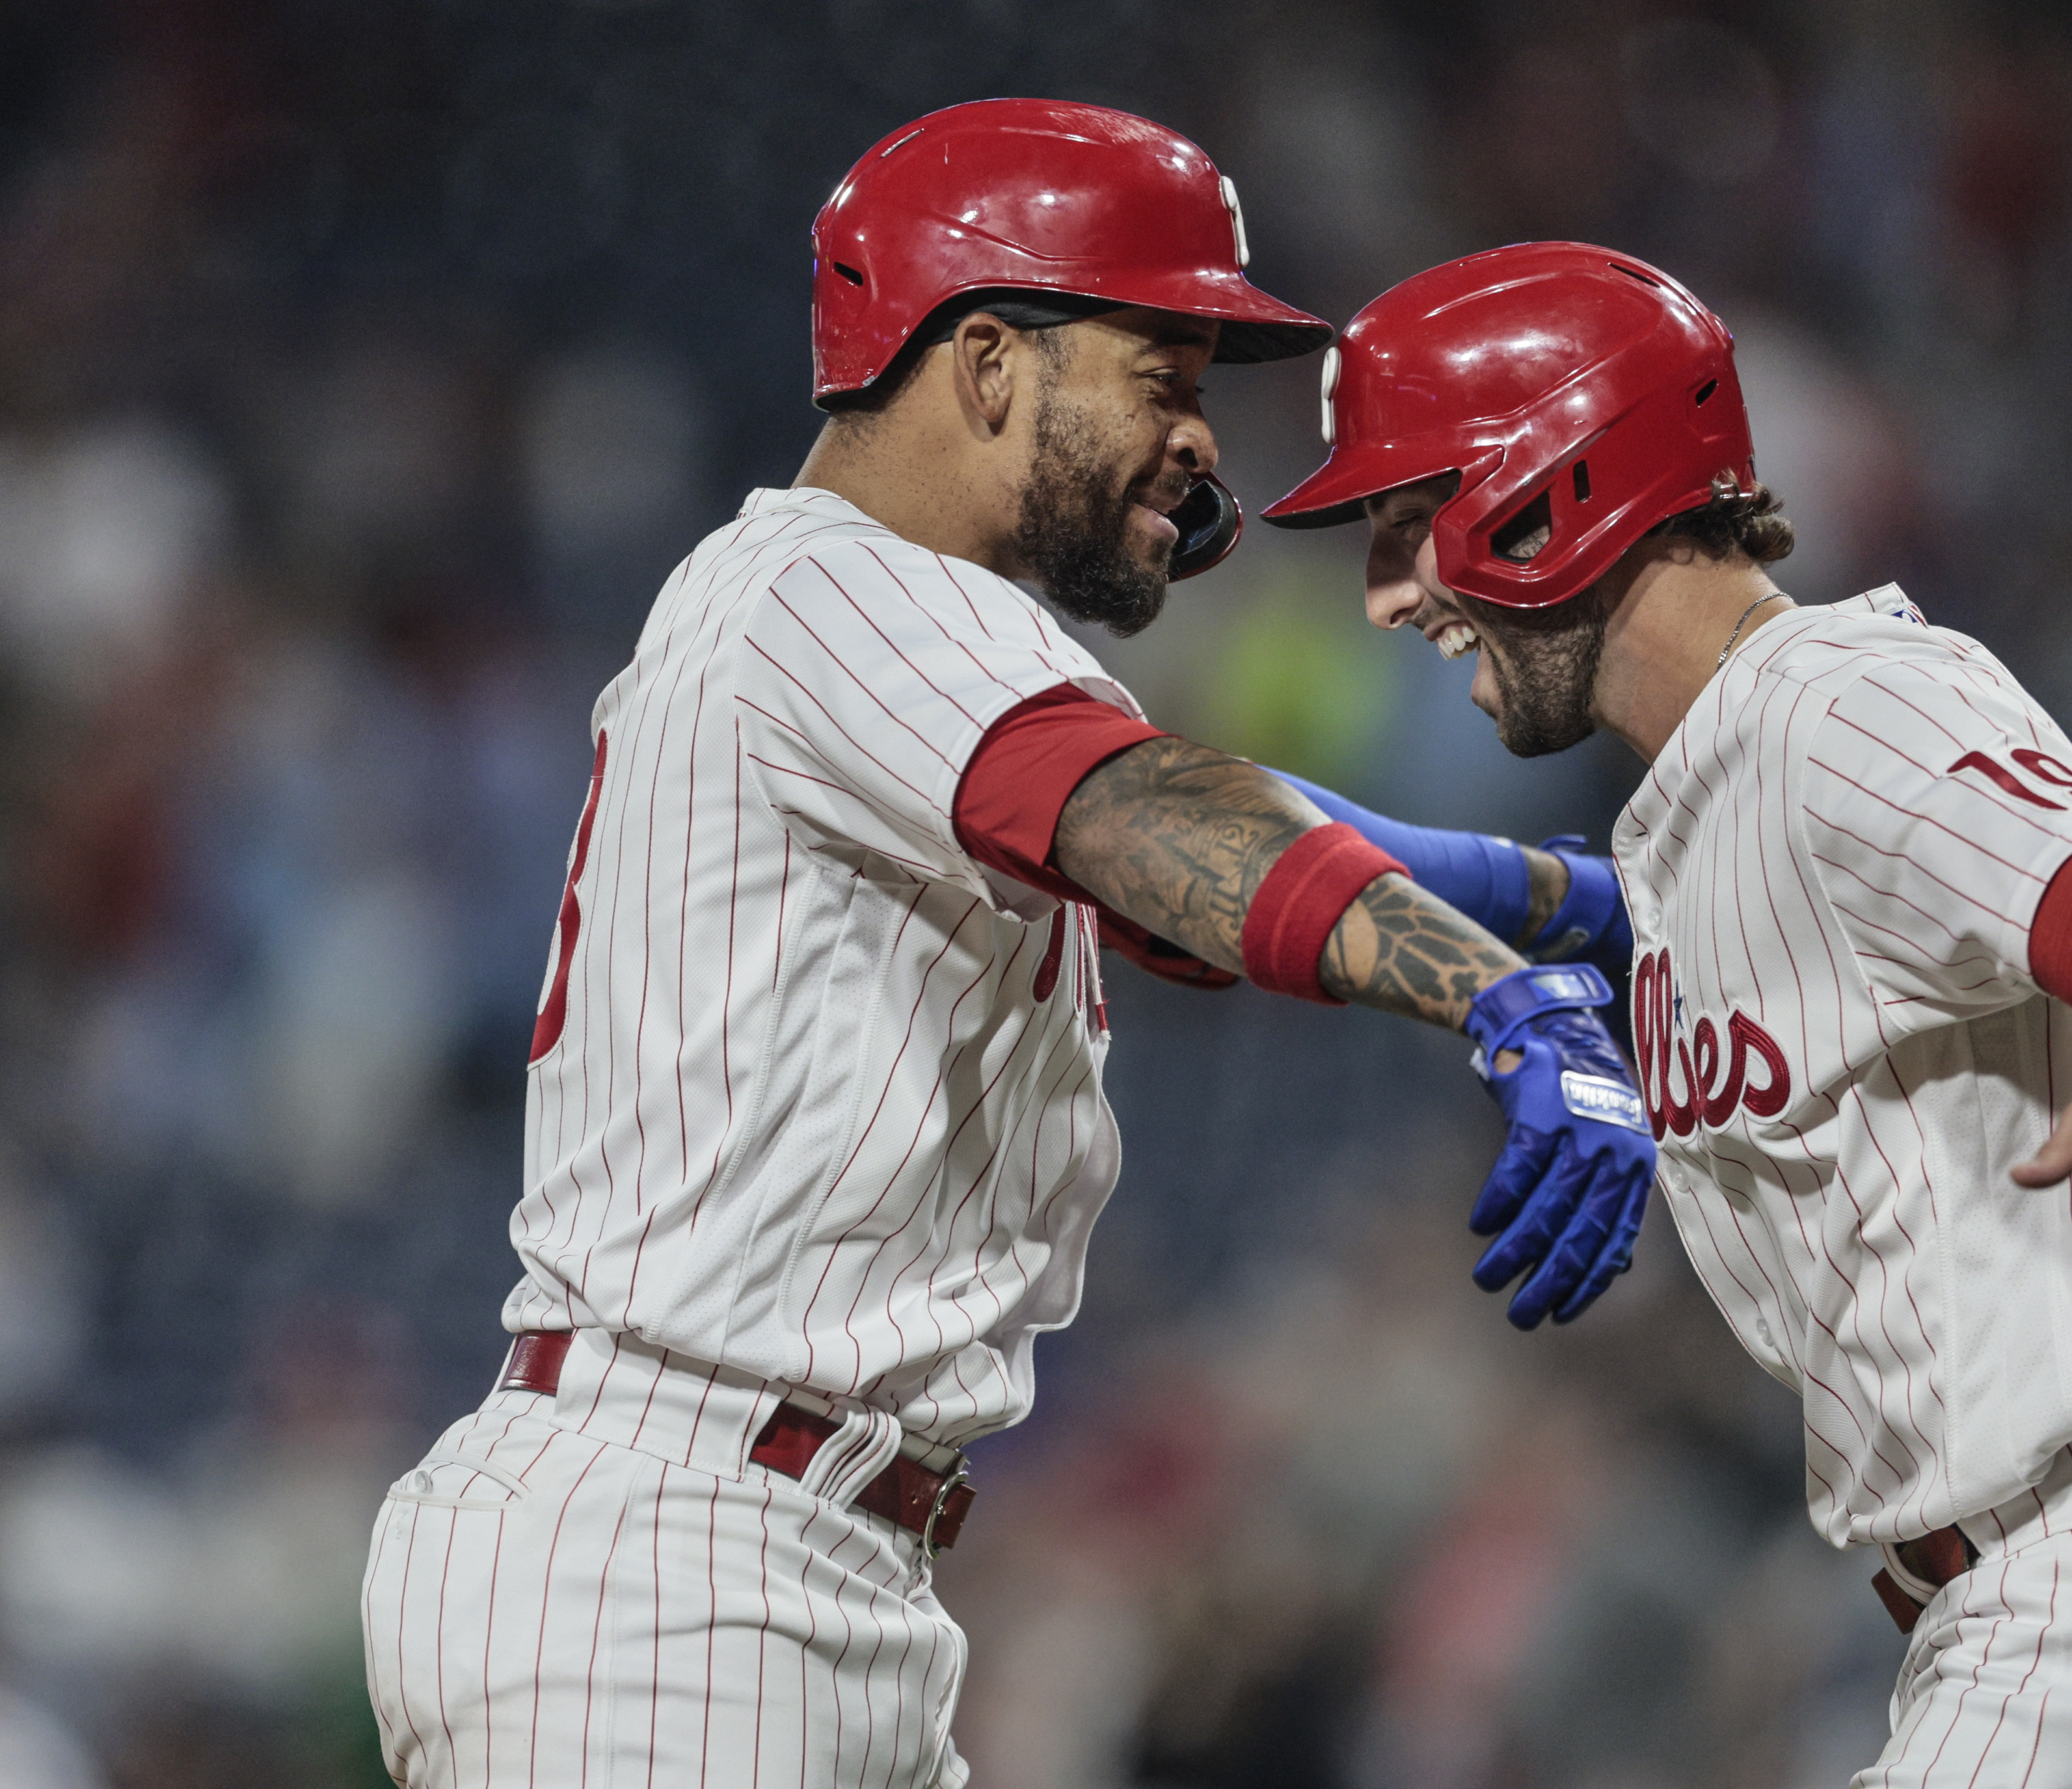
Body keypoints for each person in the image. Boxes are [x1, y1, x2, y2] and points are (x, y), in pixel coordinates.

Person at [360, 108, 1658, 1789]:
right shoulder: (836, 584)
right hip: (672, 1569)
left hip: (773, 1561)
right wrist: (1500, 991)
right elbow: (1157, 824)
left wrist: (1559, 894)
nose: (1202, 444)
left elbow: (1210, 833)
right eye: (1160, 373)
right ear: (983, 362)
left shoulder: (871, 634)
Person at [1261, 241, 2072, 1787]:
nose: (1389, 594)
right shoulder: (1701, 806)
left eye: (1408, 526)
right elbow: (1421, 864)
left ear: (1551, 493)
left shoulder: (1834, 704)